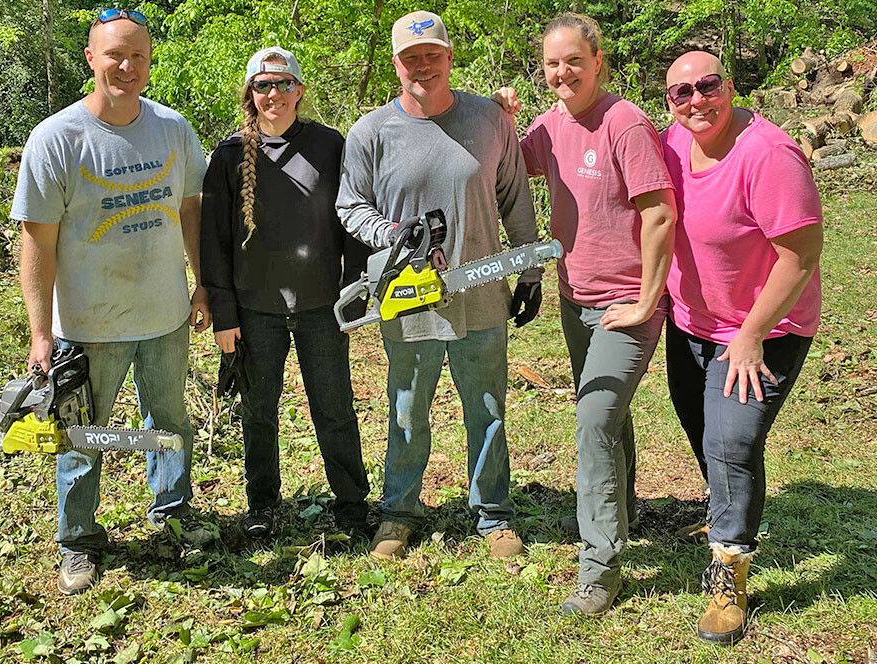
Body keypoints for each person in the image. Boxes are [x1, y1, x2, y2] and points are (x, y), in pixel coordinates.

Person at [12, 9, 212, 596]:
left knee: (170, 420)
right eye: (115, 55)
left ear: (149, 63)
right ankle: (77, 541)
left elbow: (190, 209)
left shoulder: (172, 129)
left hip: (165, 315)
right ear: (91, 58)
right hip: (88, 324)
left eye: (139, 56)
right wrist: (40, 332)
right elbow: (36, 240)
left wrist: (201, 281)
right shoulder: (57, 139)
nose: (127, 67)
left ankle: (171, 512)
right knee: (82, 435)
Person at [336, 10, 542, 561]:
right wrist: (390, 235)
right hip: (407, 298)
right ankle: (399, 513)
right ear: (397, 65)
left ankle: (493, 514)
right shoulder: (370, 132)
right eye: (411, 58)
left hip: (480, 290)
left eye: (433, 55)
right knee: (406, 407)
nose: (422, 66)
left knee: (487, 406)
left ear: (449, 57)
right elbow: (349, 205)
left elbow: (515, 200)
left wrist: (529, 270)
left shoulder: (490, 120)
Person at [495, 13, 677, 614]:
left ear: (599, 61)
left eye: (574, 60)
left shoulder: (624, 124)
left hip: (628, 303)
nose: (562, 72)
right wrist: (502, 119)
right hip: (577, 300)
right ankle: (622, 514)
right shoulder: (550, 125)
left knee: (593, 418)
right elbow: (509, 170)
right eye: (552, 63)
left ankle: (599, 567)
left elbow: (659, 215)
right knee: (607, 418)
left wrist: (649, 300)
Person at [661, 51, 822, 644]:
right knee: (707, 435)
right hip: (691, 325)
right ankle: (729, 511)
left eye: (709, 86)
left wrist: (751, 333)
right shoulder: (671, 144)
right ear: (669, 101)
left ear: (731, 86)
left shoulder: (768, 154)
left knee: (731, 439)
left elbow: (801, 255)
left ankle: (729, 571)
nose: (697, 100)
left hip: (765, 331)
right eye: (682, 92)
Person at [199, 47, 371, 541]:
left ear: (300, 90)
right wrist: (224, 315)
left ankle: (352, 506)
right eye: (262, 86)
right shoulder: (229, 157)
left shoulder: (329, 145)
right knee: (259, 410)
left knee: (334, 406)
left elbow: (352, 222)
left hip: (322, 306)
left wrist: (354, 289)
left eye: (283, 84)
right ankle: (262, 504)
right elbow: (216, 244)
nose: (273, 94)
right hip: (255, 311)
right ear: (250, 95)